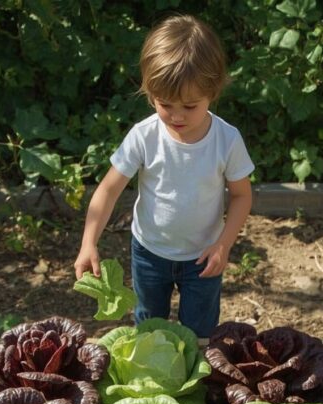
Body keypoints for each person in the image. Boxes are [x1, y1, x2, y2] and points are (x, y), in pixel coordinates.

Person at [74, 14, 254, 339]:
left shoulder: (227, 140)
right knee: (148, 330)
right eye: (165, 104)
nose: (176, 115)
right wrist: (89, 242)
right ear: (149, 93)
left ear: (212, 93)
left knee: (200, 334)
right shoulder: (145, 136)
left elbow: (242, 195)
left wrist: (223, 245)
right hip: (149, 253)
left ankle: (196, 387)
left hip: (203, 257)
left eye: (190, 106)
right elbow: (108, 189)